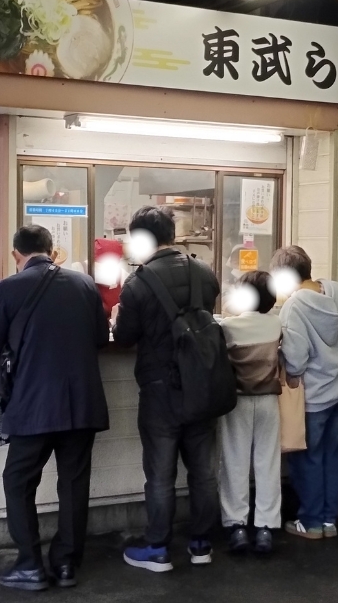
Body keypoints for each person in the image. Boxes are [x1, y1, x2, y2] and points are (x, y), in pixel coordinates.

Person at [0, 225, 110, 591]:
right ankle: (66, 564)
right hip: (82, 404)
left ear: (17, 254)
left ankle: (30, 564)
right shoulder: (84, 285)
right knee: (74, 483)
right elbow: (101, 338)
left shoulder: (8, 288)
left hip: (33, 405)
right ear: (53, 250)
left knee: (18, 481)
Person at [113, 206, 221, 572]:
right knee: (203, 471)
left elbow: (124, 338)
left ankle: (158, 548)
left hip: (160, 390)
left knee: (160, 474)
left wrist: (117, 317)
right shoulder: (205, 273)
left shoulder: (138, 283)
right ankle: (201, 544)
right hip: (202, 383)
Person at [272, 245, 338, 541]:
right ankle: (329, 521)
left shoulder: (294, 307)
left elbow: (295, 361)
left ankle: (310, 523)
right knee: (333, 455)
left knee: (307, 459)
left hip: (312, 397)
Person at [217, 271, 284, 555]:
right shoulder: (277, 323)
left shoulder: (228, 327)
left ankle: (237, 526)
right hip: (269, 400)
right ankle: (266, 527)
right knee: (268, 463)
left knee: (234, 461)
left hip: (238, 402)